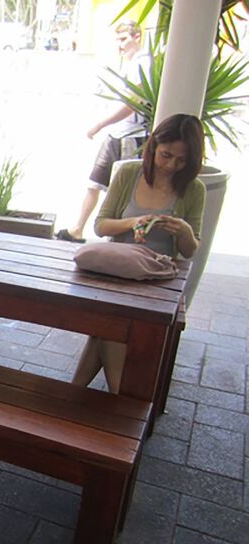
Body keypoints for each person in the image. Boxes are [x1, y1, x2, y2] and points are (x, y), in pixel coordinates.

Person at [72, 114, 205, 392]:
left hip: (156, 277)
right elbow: (100, 226)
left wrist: (182, 231)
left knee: (107, 330)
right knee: (110, 328)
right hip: (117, 269)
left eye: (181, 160)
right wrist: (133, 222)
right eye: (166, 155)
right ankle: (113, 401)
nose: (171, 165)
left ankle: (89, 397)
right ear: (154, 145)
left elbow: (190, 250)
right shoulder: (129, 173)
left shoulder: (193, 189)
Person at [57, 20, 148, 243]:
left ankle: (117, 236)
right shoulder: (127, 62)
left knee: (121, 188)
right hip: (117, 133)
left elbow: (134, 103)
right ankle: (78, 228)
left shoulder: (143, 63)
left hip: (132, 134)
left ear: (137, 37)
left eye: (124, 39)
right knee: (95, 181)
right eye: (118, 40)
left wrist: (101, 124)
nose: (121, 45)